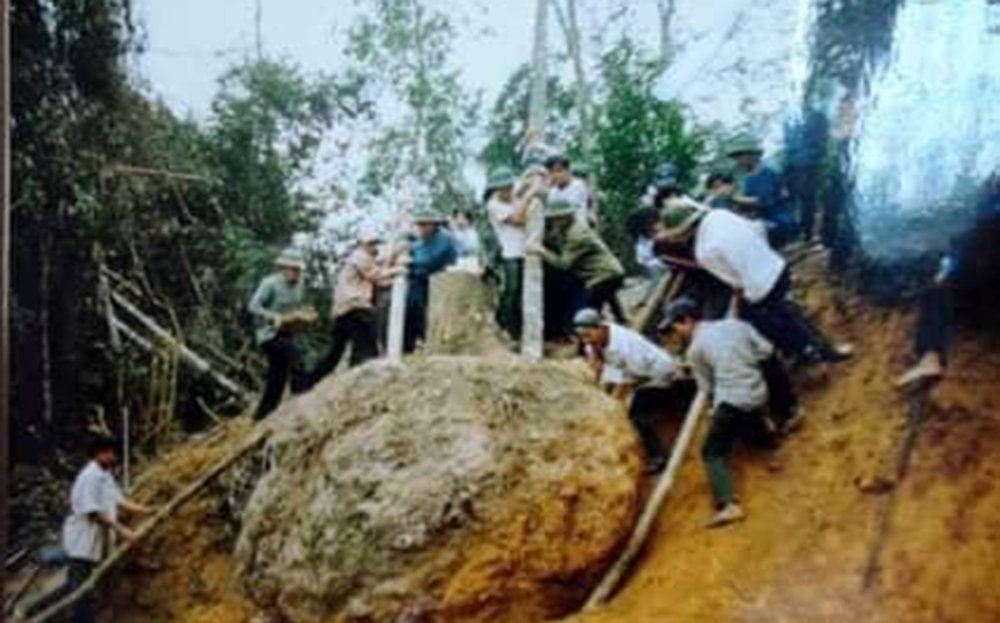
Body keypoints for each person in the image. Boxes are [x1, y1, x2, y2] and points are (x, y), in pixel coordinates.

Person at [655, 199, 851, 365]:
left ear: (682, 232)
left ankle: (809, 350)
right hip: (777, 267)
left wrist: (737, 308)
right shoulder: (720, 214)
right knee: (783, 311)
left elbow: (736, 284)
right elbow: (757, 230)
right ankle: (809, 348)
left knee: (763, 322)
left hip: (761, 288)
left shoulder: (703, 252)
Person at [661, 298, 793, 528]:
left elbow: (707, 388)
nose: (676, 333)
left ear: (688, 321)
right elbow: (766, 351)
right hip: (758, 392)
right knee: (746, 419)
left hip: (733, 399)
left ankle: (728, 505)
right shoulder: (735, 324)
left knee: (711, 451)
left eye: (675, 327)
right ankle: (768, 440)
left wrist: (714, 408)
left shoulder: (695, 349)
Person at [26, 436, 153, 622]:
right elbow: (93, 513)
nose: (113, 456)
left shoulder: (105, 476)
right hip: (81, 542)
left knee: (91, 584)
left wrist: (148, 510)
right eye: (110, 453)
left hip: (96, 541)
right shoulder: (88, 477)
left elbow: (120, 501)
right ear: (99, 454)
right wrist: (123, 531)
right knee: (80, 590)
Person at [897, 171, 1000, 389]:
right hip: (986, 300)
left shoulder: (984, 218)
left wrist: (945, 270)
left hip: (980, 299)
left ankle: (930, 357)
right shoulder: (986, 214)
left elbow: (963, 248)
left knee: (937, 290)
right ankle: (930, 357)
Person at [573, 308, 679, 474]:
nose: (586, 340)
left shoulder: (624, 345)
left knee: (637, 413)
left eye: (588, 335)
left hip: (655, 373)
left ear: (600, 328)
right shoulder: (591, 342)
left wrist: (615, 404)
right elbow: (597, 368)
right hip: (627, 371)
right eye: (581, 336)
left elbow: (633, 378)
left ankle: (658, 456)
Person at [310, 230, 405, 386]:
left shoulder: (359, 259)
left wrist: (391, 272)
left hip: (344, 310)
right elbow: (377, 275)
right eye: (371, 244)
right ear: (362, 244)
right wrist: (398, 270)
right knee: (367, 346)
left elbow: (380, 280)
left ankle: (310, 381)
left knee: (336, 352)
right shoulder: (360, 257)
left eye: (375, 243)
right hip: (355, 307)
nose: (374, 247)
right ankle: (360, 380)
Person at [528, 198, 627, 323]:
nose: (555, 222)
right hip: (601, 274)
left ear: (568, 216)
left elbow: (563, 264)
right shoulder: (565, 229)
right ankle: (622, 320)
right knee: (598, 300)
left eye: (559, 218)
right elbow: (555, 239)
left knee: (582, 315)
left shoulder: (578, 234)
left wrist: (540, 250)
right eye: (553, 218)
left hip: (604, 275)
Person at [248, 248, 317, 420]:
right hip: (268, 335)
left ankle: (262, 415)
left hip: (287, 332)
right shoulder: (269, 283)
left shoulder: (300, 284)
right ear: (283, 268)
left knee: (277, 376)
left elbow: (294, 308)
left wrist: (304, 313)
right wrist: (273, 317)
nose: (295, 273)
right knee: (294, 356)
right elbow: (253, 306)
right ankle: (301, 396)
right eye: (292, 269)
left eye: (298, 269)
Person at [485, 166, 538, 340]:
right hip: (511, 252)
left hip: (528, 250)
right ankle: (507, 327)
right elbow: (519, 219)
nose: (506, 191)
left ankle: (519, 330)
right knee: (512, 291)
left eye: (508, 187)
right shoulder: (493, 205)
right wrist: (528, 195)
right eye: (502, 188)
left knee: (524, 292)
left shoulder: (517, 195)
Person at [729, 134, 798, 248]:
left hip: (778, 221)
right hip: (761, 219)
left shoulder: (767, 173)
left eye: (739, 156)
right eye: (736, 157)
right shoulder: (748, 178)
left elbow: (763, 201)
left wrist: (733, 198)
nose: (738, 160)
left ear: (752, 155)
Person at [404, 209, 458, 352]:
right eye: (420, 224)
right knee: (411, 304)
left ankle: (429, 340)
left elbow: (431, 260)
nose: (421, 228)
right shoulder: (418, 243)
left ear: (434, 225)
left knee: (431, 311)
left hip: (440, 279)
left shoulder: (445, 239)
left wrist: (412, 262)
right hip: (419, 280)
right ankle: (410, 344)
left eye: (425, 224)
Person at [784, 107, 830, 243]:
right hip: (792, 165)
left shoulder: (817, 117)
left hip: (809, 165)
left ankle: (806, 234)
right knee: (792, 199)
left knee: (806, 200)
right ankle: (795, 233)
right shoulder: (793, 119)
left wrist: (814, 157)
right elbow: (788, 142)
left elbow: (820, 141)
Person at [545, 154, 592, 225]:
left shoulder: (578, 185)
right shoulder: (552, 191)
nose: (556, 175)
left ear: (568, 170)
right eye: (552, 172)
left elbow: (569, 206)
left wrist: (553, 206)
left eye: (559, 171)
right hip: (559, 225)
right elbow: (550, 208)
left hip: (577, 224)